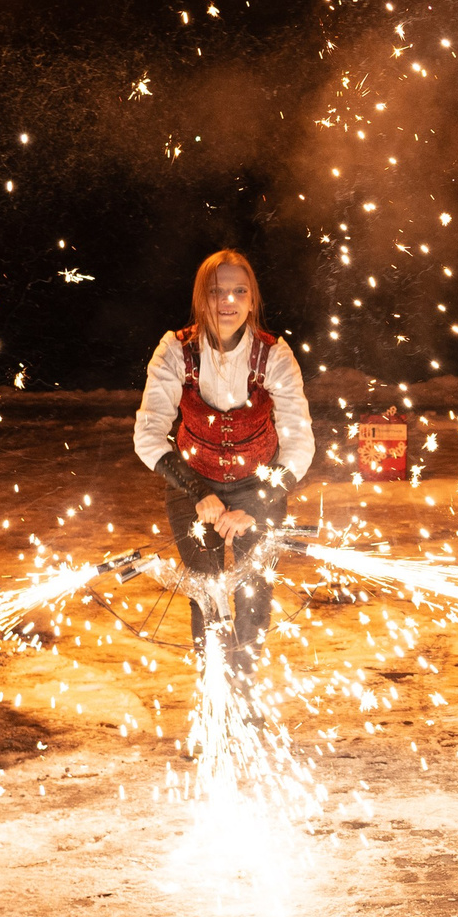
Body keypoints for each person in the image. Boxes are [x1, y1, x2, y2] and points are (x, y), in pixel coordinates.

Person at [132, 249, 315, 674]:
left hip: (261, 485)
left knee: (254, 596)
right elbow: (147, 435)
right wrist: (199, 492)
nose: (227, 302)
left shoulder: (275, 355)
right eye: (216, 292)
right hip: (191, 483)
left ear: (252, 301)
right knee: (208, 592)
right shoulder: (175, 350)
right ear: (201, 299)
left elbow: (300, 442)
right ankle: (215, 692)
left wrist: (256, 505)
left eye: (239, 291)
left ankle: (248, 690)